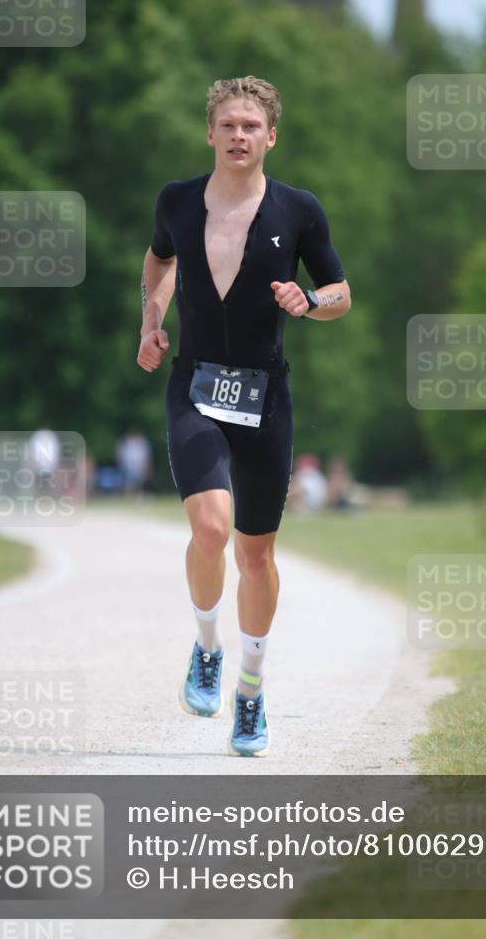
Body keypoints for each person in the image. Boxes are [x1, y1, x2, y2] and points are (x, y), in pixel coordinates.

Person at [137, 76, 351, 757]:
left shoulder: (299, 209)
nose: (238, 136)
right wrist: (150, 319)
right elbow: (159, 258)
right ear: (210, 133)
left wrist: (310, 302)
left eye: (250, 127)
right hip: (194, 384)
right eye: (227, 125)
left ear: (271, 136)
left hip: (265, 396)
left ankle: (251, 693)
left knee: (256, 556)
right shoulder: (177, 200)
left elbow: (341, 290)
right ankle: (207, 648)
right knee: (210, 526)